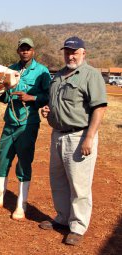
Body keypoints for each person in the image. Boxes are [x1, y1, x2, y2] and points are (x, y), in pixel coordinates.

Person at [39, 36, 107, 245]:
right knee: (58, 181)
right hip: (58, 135)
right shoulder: (58, 75)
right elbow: (56, 103)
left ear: (83, 53)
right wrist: (48, 110)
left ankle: (77, 225)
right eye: (67, 51)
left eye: (75, 52)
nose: (70, 55)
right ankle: (62, 218)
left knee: (79, 184)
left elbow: (99, 108)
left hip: (79, 136)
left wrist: (89, 137)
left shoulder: (90, 75)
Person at [0, 38, 51, 220]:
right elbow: (3, 94)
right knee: (2, 159)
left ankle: (21, 205)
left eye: (28, 49)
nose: (25, 51)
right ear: (18, 51)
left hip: (28, 123)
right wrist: (0, 95)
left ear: (33, 51)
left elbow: (48, 95)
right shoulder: (10, 69)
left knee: (24, 162)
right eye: (22, 49)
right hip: (10, 121)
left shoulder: (42, 71)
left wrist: (30, 98)